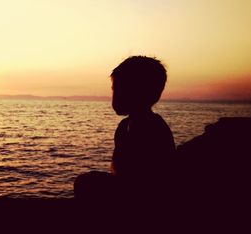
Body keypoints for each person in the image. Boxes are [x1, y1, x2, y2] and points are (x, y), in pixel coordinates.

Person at [74, 56, 175, 202]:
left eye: (118, 89)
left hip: (142, 197)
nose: (114, 96)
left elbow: (147, 180)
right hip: (126, 191)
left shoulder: (152, 129)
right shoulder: (125, 126)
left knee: (85, 183)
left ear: (137, 93)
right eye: (114, 89)